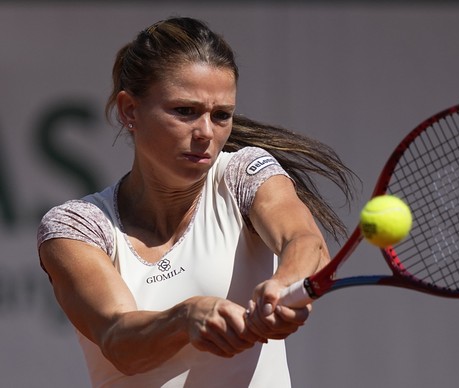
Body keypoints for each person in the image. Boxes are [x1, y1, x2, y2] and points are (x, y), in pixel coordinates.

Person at [37, 17, 357, 387]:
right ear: (129, 111)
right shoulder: (76, 227)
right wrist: (186, 317)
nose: (206, 132)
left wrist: (285, 285)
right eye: (184, 111)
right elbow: (119, 341)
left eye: (221, 115)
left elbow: (305, 241)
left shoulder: (245, 174)